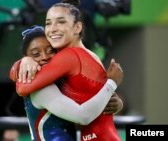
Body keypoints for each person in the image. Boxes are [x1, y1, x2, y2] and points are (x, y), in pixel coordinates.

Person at [12, 2, 123, 141]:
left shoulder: (68, 57)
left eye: (61, 22)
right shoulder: (87, 55)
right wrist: (23, 62)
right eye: (49, 23)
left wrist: (111, 85)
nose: (53, 29)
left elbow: (22, 87)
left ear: (77, 27)